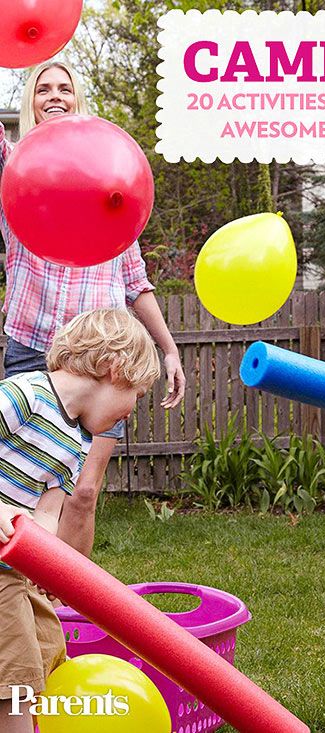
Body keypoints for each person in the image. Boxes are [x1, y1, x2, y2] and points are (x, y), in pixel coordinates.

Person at [0, 60, 185, 557]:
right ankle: (22, 598)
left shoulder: (108, 180)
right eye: (43, 88)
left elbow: (135, 280)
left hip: (107, 361)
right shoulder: (14, 170)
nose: (54, 95)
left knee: (82, 492)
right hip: (33, 349)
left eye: (65, 87)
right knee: (25, 492)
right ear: (29, 102)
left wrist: (168, 350)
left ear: (78, 98)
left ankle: (72, 607)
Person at [0, 307, 160, 733]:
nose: (131, 411)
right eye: (137, 396)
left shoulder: (77, 439)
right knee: (18, 679)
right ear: (114, 366)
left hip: (12, 572)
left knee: (49, 648)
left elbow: (49, 509)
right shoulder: (24, 396)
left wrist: (46, 560)